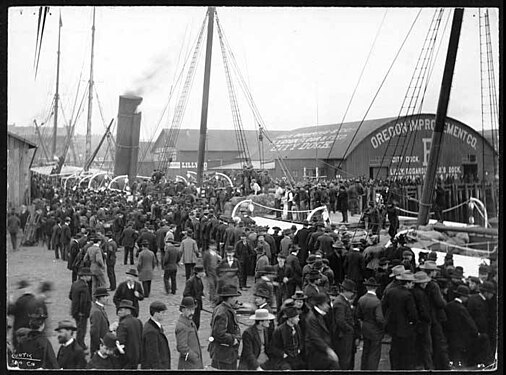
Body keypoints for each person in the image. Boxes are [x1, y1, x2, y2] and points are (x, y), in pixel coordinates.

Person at [382, 270, 418, 370]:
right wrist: (413, 322)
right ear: (407, 283)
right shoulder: (408, 295)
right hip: (405, 326)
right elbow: (412, 313)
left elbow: (384, 306)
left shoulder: (391, 291)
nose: (413, 285)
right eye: (412, 282)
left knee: (394, 348)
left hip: (392, 324)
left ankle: (394, 367)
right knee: (405, 350)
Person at [444, 285, 479, 368]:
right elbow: (469, 322)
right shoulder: (462, 308)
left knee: (453, 351)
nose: (467, 299)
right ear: (462, 297)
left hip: (449, 333)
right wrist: (476, 332)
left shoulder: (448, 305)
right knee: (459, 352)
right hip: (461, 334)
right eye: (466, 297)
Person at [209, 283, 242, 370]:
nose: (236, 300)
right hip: (224, 354)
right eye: (235, 297)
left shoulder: (222, 308)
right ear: (230, 298)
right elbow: (219, 333)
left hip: (225, 353)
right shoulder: (223, 312)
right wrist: (233, 339)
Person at [304, 293, 340, 370]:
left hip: (321, 351)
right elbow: (315, 337)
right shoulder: (312, 318)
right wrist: (328, 350)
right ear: (320, 305)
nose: (328, 306)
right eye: (326, 304)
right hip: (316, 353)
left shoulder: (322, 315)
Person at [356, 277, 384, 370]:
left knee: (366, 351)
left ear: (367, 287)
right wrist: (382, 328)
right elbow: (379, 318)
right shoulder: (376, 302)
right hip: (375, 330)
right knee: (374, 353)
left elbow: (358, 315)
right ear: (375, 288)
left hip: (365, 328)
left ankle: (363, 369)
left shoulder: (361, 299)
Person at [331, 278, 359, 370]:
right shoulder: (340, 303)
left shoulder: (342, 301)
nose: (352, 294)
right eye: (351, 292)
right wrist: (350, 329)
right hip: (343, 337)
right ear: (346, 291)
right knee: (344, 360)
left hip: (344, 336)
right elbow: (340, 321)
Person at [412, 271, 434, 370]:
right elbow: (423, 309)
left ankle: (418, 364)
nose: (426, 284)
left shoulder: (413, 292)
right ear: (421, 283)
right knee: (426, 346)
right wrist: (429, 319)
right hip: (424, 323)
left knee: (418, 345)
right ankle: (428, 366)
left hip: (417, 324)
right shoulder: (421, 294)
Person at [8, 280, 38, 349]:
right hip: (32, 333)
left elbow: (10, 311)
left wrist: (11, 301)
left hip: (20, 333)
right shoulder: (35, 301)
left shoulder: (20, 301)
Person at [176, 296, 203, 369]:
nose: (192, 313)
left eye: (193, 310)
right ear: (183, 310)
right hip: (188, 364)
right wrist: (194, 357)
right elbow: (182, 347)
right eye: (189, 310)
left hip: (194, 364)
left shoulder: (189, 321)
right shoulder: (182, 326)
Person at [141, 301, 170, 369]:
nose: (165, 315)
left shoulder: (154, 326)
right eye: (163, 313)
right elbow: (153, 356)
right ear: (156, 313)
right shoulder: (151, 331)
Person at [69, 267, 92, 350]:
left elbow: (70, 296)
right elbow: (84, 301)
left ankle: (80, 344)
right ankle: (80, 345)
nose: (90, 277)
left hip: (75, 310)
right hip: (81, 312)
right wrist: (83, 312)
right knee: (82, 329)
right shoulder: (84, 286)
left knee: (79, 328)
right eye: (89, 276)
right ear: (84, 276)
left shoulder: (74, 284)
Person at [116, 299, 143, 369]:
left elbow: (120, 343)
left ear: (128, 310)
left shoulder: (123, 324)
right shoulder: (138, 321)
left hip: (126, 360)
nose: (118, 312)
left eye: (121, 310)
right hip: (137, 358)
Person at [183, 264, 205, 330]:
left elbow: (200, 289)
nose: (204, 273)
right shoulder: (190, 281)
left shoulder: (199, 280)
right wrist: (193, 300)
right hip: (193, 305)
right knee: (193, 321)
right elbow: (186, 293)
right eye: (202, 272)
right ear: (198, 273)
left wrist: (202, 294)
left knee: (197, 322)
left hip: (198, 303)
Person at [89, 287, 110, 356]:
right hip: (99, 347)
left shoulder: (99, 308)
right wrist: (97, 348)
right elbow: (94, 332)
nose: (107, 298)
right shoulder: (97, 312)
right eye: (105, 296)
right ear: (100, 298)